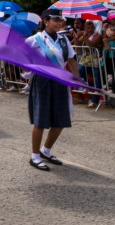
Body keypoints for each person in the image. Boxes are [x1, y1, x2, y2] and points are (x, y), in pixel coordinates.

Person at [25, 9, 78, 171]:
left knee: (61, 119)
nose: (59, 23)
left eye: (60, 20)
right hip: (43, 81)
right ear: (46, 21)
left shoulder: (64, 40)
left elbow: (71, 59)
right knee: (41, 120)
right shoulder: (35, 39)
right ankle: (35, 156)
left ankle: (46, 150)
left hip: (60, 80)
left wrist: (77, 78)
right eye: (55, 20)